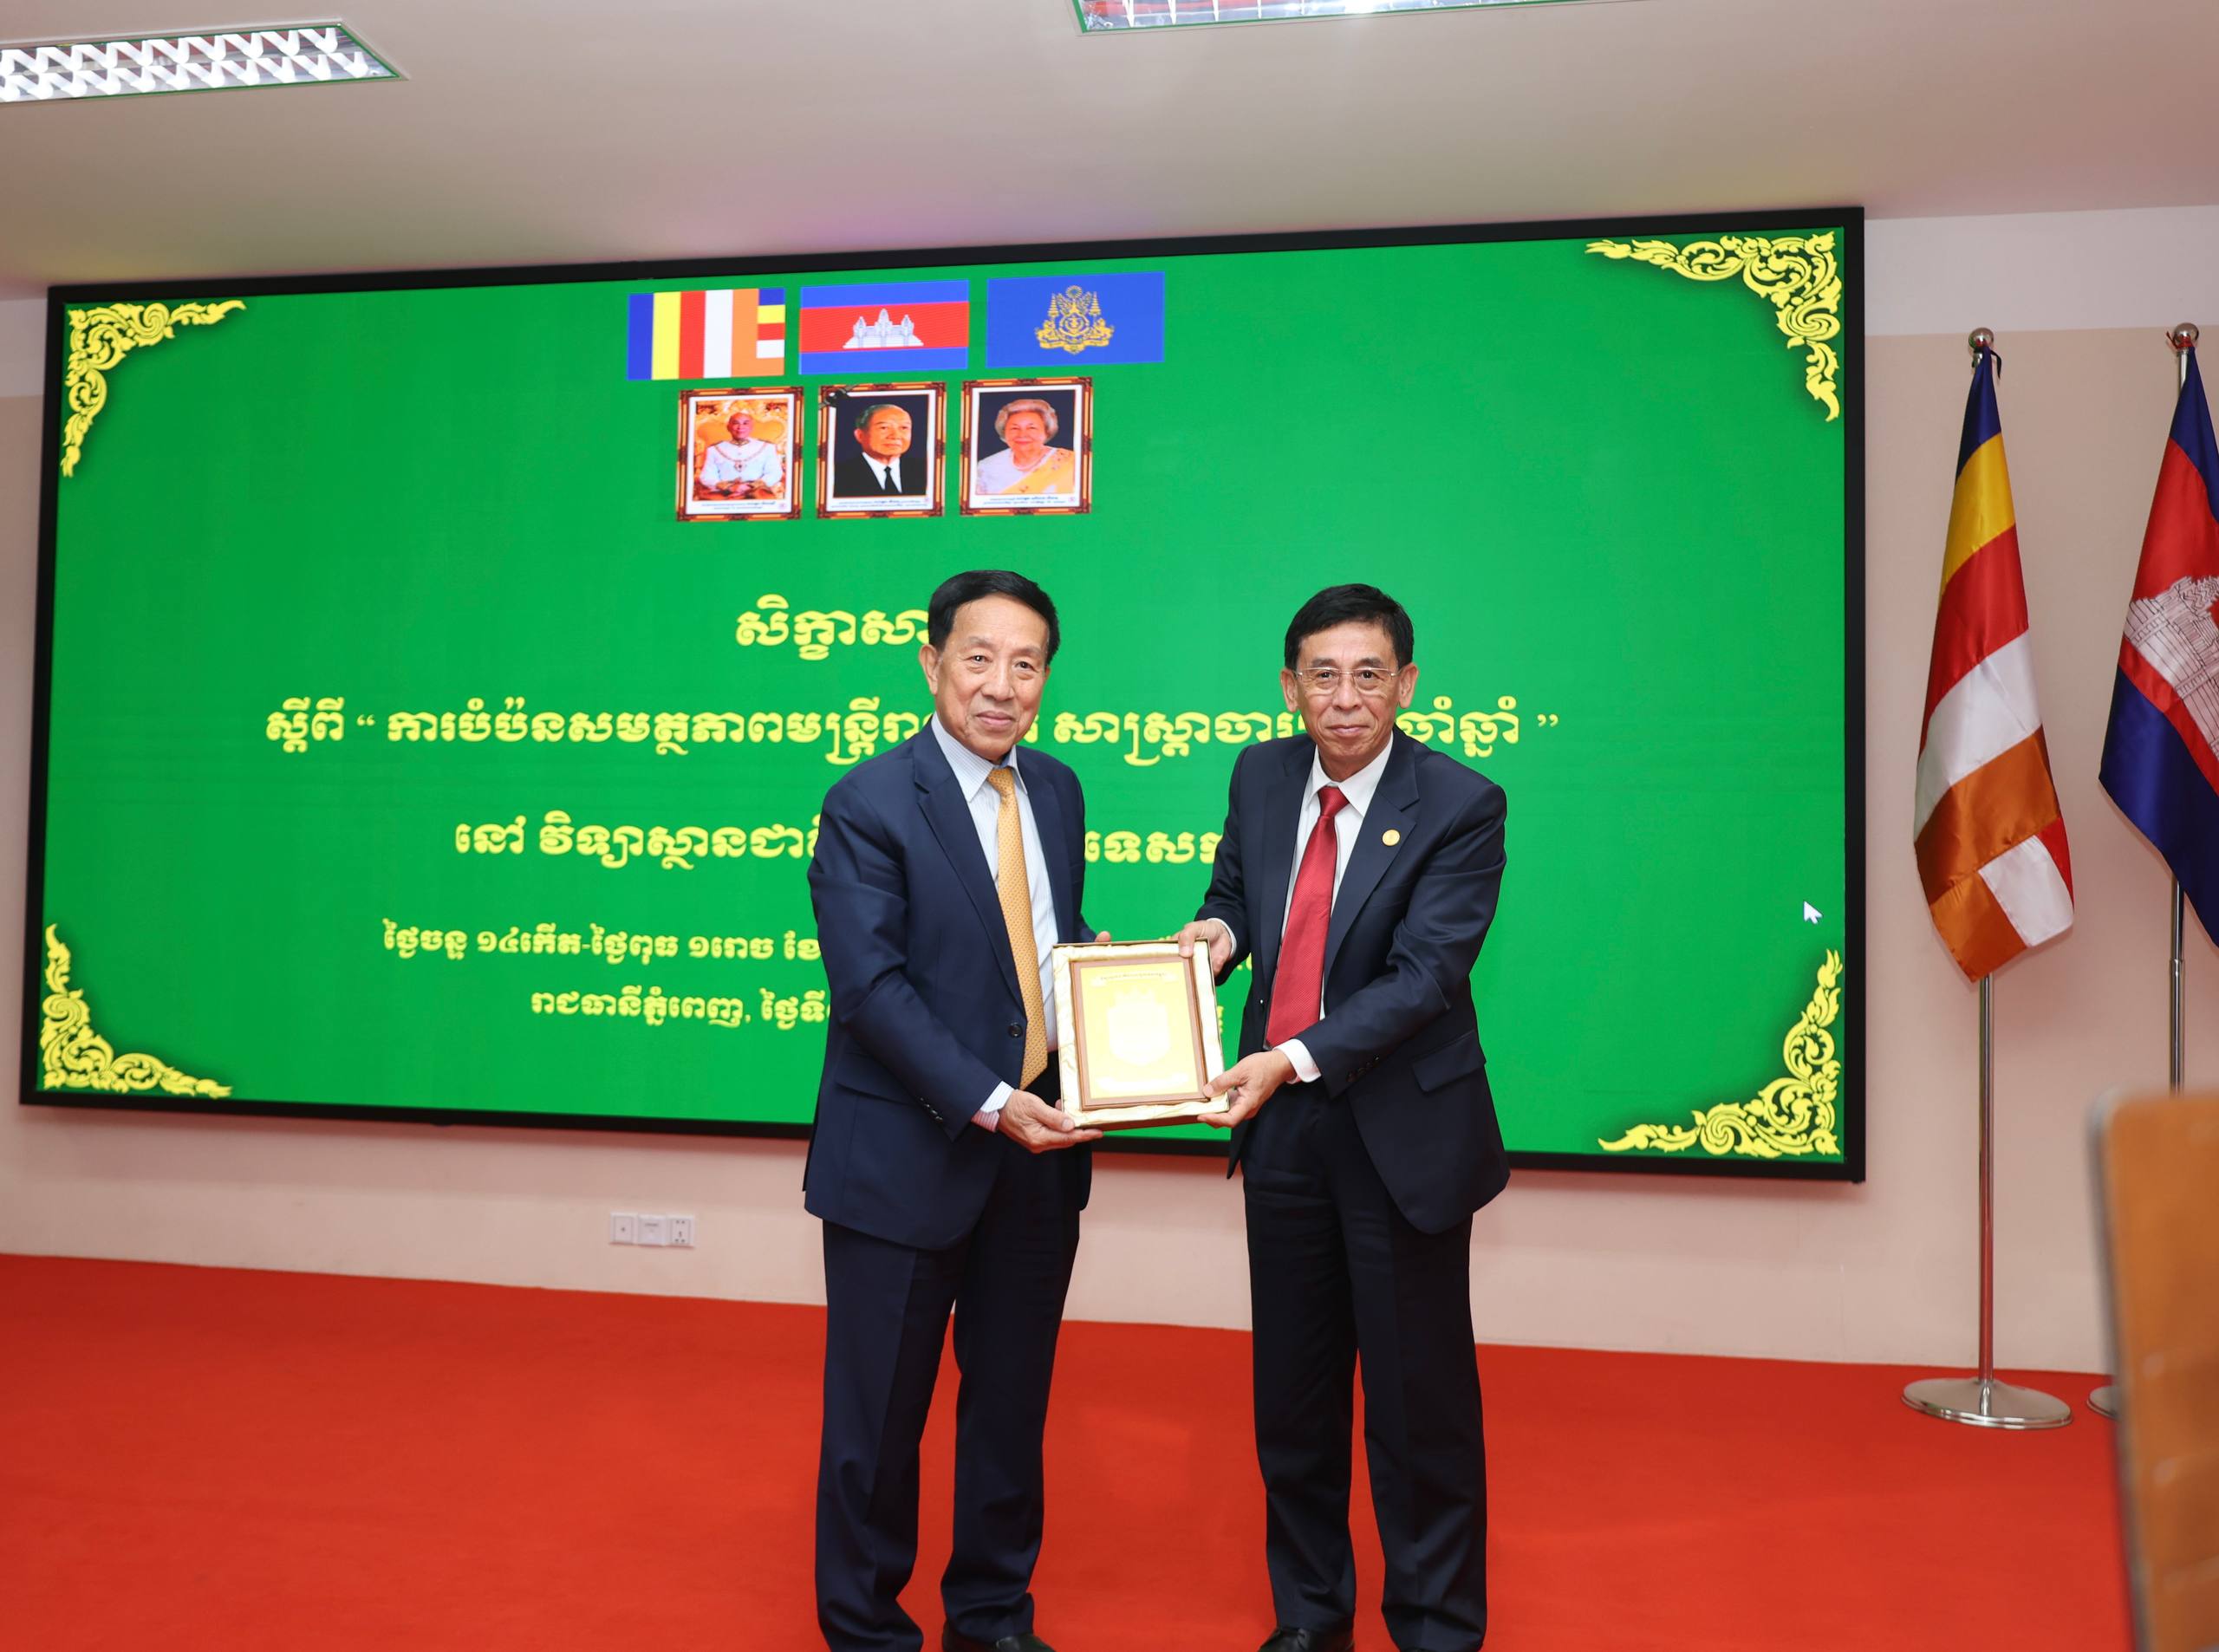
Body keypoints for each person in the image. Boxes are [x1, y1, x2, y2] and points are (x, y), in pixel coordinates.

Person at [1175, 583, 1509, 1652]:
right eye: (1323, 675)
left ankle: (1435, 1627)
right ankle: (1310, 1620)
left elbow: (1424, 977)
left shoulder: (1460, 802)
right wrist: (1216, 940)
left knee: (1418, 1408)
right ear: (1291, 686)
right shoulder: (1261, 774)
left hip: (1398, 1135)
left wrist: (1289, 1056)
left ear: (1407, 684)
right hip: (1281, 1128)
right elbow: (1237, 896)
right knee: (1294, 1398)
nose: (1346, 697)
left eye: (1370, 675)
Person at [806, 569, 1103, 1652]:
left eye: (1026, 663)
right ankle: (866, 1629)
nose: (1001, 685)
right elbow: (871, 990)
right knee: (879, 1420)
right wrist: (989, 1100)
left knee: (1011, 1408)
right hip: (907, 1155)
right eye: (978, 658)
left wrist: (1113, 991)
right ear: (932, 663)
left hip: (1037, 1155)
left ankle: (989, 1616)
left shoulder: (1057, 790)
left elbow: (1039, 949)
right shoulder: (868, 803)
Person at [973, 399, 1076, 498]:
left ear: (1047, 432)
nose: (1022, 435)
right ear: (1004, 432)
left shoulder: (1071, 462)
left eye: (1032, 428)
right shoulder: (987, 467)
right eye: (1014, 428)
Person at [833, 402, 928, 498]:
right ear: (860, 435)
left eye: (904, 428)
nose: (896, 436)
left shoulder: (926, 470)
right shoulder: (837, 475)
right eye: (884, 428)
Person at [698, 406, 784, 498]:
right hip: (723, 493)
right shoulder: (714, 449)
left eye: (745, 423)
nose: (740, 427)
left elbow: (774, 473)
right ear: (728, 427)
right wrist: (730, 488)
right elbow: (707, 476)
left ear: (751, 427)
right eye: (736, 423)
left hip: (758, 492)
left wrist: (751, 487)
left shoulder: (767, 447)